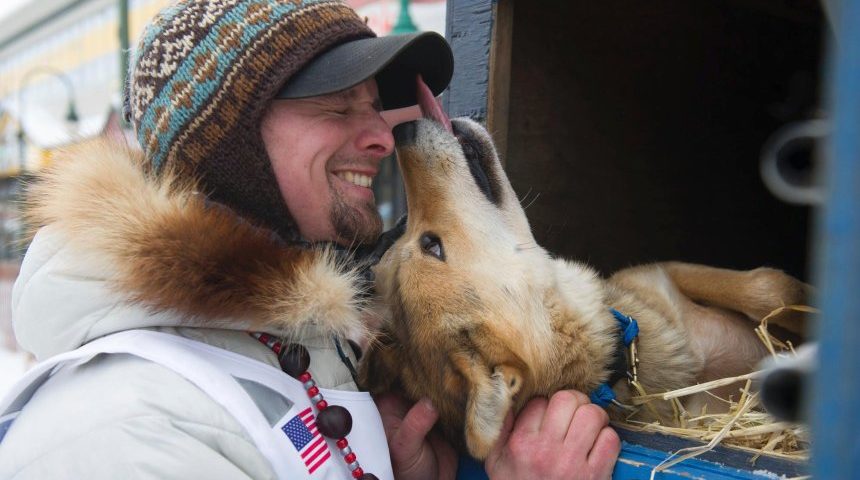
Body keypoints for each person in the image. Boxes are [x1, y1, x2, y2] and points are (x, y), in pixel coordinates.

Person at [0, 1, 619, 479]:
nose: (383, 137)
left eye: (374, 106)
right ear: (229, 144)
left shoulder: (306, 348)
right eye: (337, 106)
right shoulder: (122, 433)